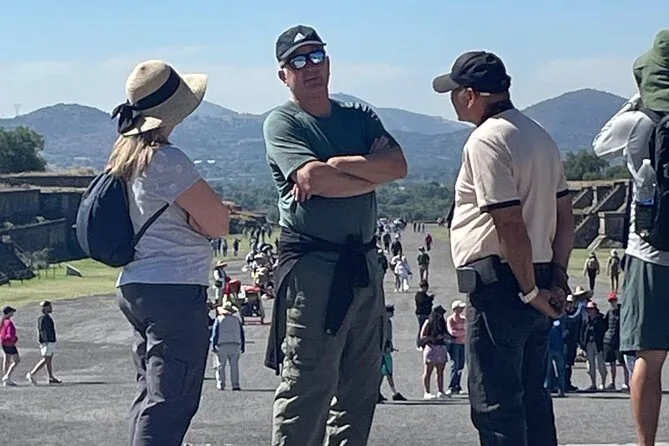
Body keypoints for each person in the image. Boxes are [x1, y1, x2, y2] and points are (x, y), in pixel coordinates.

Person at [262, 25, 407, 446]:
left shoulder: (358, 115)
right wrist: (370, 174)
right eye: (298, 60)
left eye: (316, 56)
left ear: (328, 63)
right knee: (307, 384)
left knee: (361, 385)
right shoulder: (283, 122)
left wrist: (341, 165)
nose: (310, 67)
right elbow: (313, 179)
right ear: (283, 74)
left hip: (363, 264)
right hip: (314, 269)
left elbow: (398, 165)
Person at [434, 50, 573, 445]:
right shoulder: (540, 136)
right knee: (533, 399)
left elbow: (509, 223)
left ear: (470, 95)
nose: (452, 100)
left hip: (504, 283)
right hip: (539, 273)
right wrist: (556, 279)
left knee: (496, 405)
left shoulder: (486, 140)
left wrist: (528, 291)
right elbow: (565, 216)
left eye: (455, 92)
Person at [109, 60, 230, 446]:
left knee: (150, 394)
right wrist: (198, 221)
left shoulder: (126, 157)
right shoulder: (166, 159)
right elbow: (219, 222)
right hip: (173, 289)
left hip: (137, 284)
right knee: (170, 401)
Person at [592, 30, 669, 446]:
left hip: (651, 250)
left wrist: (636, 101)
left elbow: (600, 145)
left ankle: (646, 443)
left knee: (648, 360)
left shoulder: (640, 120)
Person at [210, 301, 245, 391]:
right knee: (234, 366)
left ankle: (221, 384)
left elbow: (215, 333)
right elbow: (241, 333)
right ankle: (235, 384)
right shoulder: (236, 320)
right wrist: (243, 346)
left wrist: (213, 345)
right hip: (235, 344)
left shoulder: (219, 319)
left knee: (221, 365)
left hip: (222, 344)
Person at [26, 301, 61, 385]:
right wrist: (45, 342)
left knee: (48, 360)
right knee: (46, 359)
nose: (51, 308)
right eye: (49, 306)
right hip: (47, 342)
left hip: (50, 341)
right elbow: (42, 331)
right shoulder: (43, 318)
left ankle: (51, 377)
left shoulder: (46, 317)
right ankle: (32, 374)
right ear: (45, 308)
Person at [419, 305, 450, 399]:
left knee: (440, 372)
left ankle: (440, 391)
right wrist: (433, 338)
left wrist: (445, 336)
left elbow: (447, 334)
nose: (441, 316)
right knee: (428, 371)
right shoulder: (428, 322)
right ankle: (427, 392)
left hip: (441, 347)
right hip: (431, 347)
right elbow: (422, 337)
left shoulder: (442, 323)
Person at [378, 305, 407, 403]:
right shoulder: (382, 323)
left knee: (383, 373)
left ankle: (378, 392)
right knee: (387, 371)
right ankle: (394, 393)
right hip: (383, 351)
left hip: (386, 349)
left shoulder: (387, 322)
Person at [581, 301, 607, 391]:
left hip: (599, 344)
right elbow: (582, 332)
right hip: (589, 344)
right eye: (588, 309)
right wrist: (582, 345)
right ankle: (593, 384)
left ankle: (603, 383)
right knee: (590, 365)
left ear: (595, 309)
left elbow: (605, 331)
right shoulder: (586, 320)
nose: (589, 311)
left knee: (601, 365)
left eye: (591, 309)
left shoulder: (601, 319)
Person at [603, 293, 627, 391]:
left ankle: (626, 383)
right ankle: (612, 382)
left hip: (619, 341)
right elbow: (605, 325)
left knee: (623, 363)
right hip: (609, 340)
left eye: (614, 301)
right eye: (611, 301)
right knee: (611, 363)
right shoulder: (609, 312)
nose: (612, 303)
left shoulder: (622, 311)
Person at [446, 300, 466, 395]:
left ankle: (457, 386)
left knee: (461, 365)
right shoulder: (450, 319)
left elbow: (468, 329)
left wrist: (461, 332)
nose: (461, 309)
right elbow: (452, 332)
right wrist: (463, 332)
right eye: (459, 308)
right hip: (454, 344)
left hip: (463, 344)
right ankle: (451, 386)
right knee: (455, 365)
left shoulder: (464, 319)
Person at [1, 306, 20, 386]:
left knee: (7, 359)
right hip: (10, 343)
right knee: (17, 360)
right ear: (9, 313)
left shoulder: (3, 321)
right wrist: (15, 339)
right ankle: (7, 376)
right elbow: (10, 334)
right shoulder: (9, 322)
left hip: (4, 343)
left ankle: (6, 378)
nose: (13, 313)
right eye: (12, 312)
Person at [414, 280, 434, 349]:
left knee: (426, 329)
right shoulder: (419, 295)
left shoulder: (424, 295)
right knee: (421, 329)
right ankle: (419, 344)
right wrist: (430, 299)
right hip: (421, 314)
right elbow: (422, 302)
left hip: (427, 314)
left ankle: (424, 343)